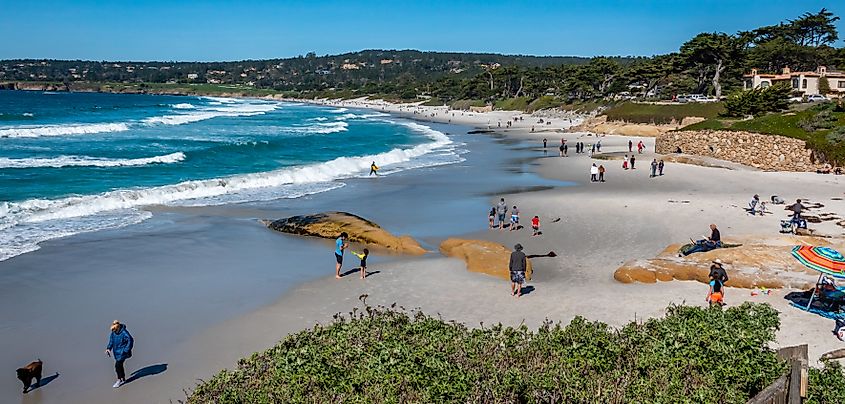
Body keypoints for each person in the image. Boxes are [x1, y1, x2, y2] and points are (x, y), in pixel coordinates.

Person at [106, 320, 134, 388]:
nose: (113, 331)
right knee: (120, 365)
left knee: (117, 366)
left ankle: (119, 380)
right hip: (116, 352)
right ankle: (123, 379)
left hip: (122, 352)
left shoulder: (124, 333)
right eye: (113, 329)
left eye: (114, 329)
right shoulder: (113, 333)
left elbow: (130, 340)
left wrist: (126, 350)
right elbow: (111, 341)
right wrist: (108, 348)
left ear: (118, 327)